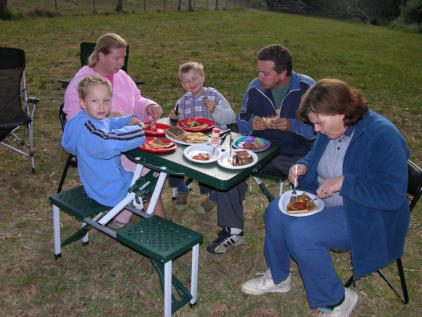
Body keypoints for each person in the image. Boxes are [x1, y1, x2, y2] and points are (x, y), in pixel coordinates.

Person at [241, 79, 410, 317]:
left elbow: (392, 196)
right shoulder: (330, 126)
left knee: (301, 234)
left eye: (319, 123)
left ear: (342, 113)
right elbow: (315, 155)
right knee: (275, 212)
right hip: (324, 195)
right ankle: (279, 277)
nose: (316, 130)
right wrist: (303, 166)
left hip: (364, 212)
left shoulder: (382, 136)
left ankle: (337, 301)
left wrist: (344, 182)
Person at [207, 44, 315, 254]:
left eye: (265, 73)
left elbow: (321, 131)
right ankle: (233, 230)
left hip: (296, 154)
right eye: (258, 70)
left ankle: (302, 235)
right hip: (260, 151)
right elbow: (242, 119)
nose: (259, 76)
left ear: (283, 73)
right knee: (230, 166)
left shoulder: (307, 88)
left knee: (311, 178)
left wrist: (291, 125)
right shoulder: (255, 87)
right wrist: (251, 125)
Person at [63, 32, 165, 228]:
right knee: (151, 170)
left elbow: (136, 100)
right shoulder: (83, 82)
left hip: (124, 139)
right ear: (101, 56)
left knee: (155, 166)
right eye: (116, 58)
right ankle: (134, 215)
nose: (121, 63)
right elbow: (76, 123)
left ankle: (123, 212)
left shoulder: (122, 77)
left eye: (123, 58)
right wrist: (112, 118)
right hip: (106, 151)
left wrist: (147, 106)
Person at [168, 61, 235, 213]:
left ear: (203, 77)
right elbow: (179, 123)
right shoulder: (183, 101)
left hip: (215, 139)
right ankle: (181, 188)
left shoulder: (214, 95)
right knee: (171, 155)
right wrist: (174, 116)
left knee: (214, 167)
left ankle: (214, 197)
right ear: (182, 84)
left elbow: (231, 117)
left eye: (194, 79)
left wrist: (215, 109)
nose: (191, 83)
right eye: (186, 81)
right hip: (192, 142)